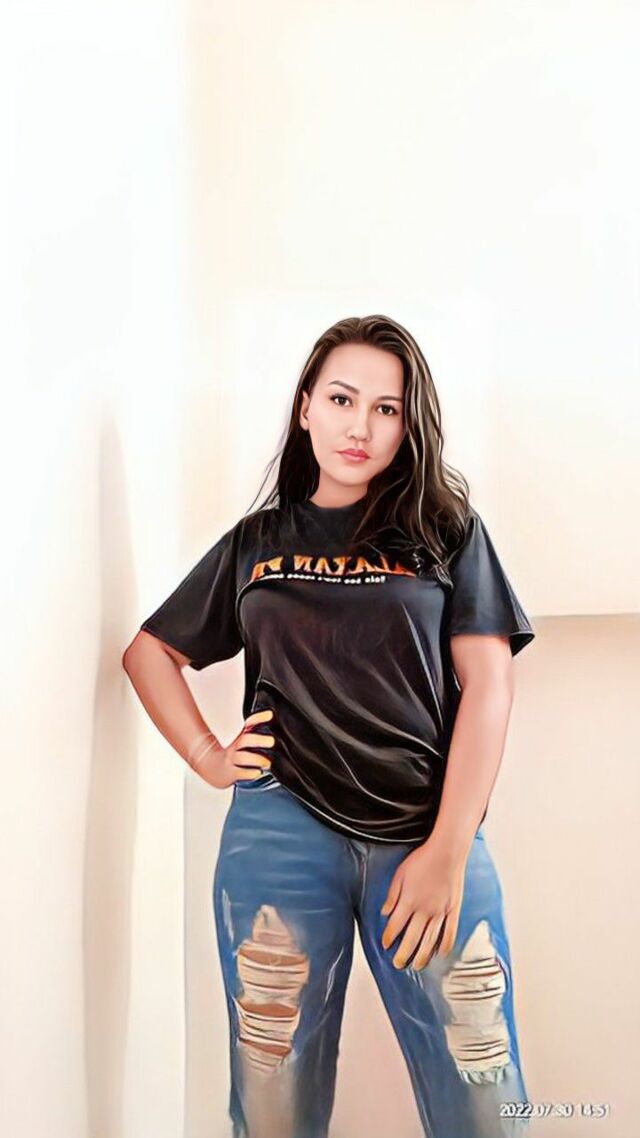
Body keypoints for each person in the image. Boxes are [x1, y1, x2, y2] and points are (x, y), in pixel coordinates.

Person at [123, 314, 536, 1138]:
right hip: (277, 833)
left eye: (387, 409)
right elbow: (149, 653)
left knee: (487, 1100)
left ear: (408, 426)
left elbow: (490, 685)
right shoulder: (256, 544)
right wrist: (207, 753)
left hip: (425, 834)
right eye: (343, 400)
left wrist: (449, 848)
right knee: (274, 1103)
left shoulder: (446, 531)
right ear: (307, 406)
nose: (361, 427)